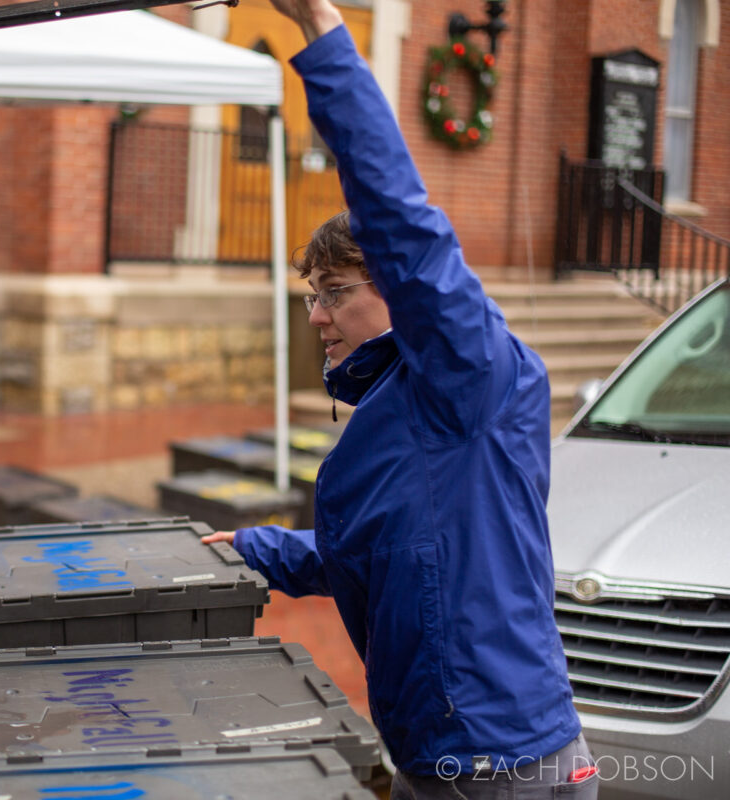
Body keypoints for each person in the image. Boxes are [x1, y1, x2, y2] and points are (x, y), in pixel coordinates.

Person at [201, 2, 596, 797]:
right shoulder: (396, 402)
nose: (315, 315)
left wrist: (320, 31)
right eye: (311, 294)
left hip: (499, 759)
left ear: (400, 296)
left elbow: (404, 225)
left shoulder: (469, 376)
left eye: (334, 292)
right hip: (439, 752)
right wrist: (256, 549)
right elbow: (385, 557)